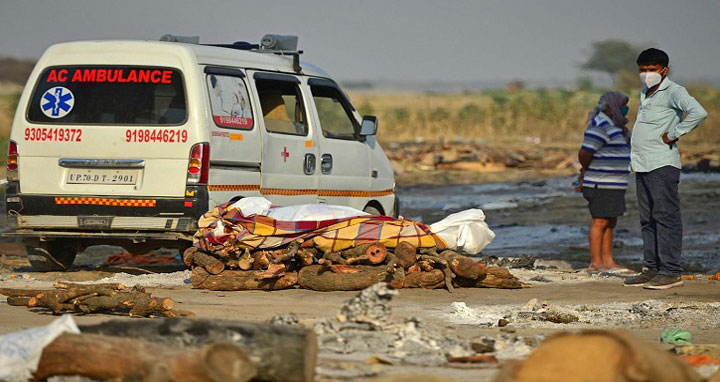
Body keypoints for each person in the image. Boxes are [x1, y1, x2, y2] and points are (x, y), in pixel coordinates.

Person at [623, 48, 708, 289]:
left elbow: (698, 112)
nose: (646, 74)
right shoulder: (645, 93)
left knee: (666, 216)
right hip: (642, 163)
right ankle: (652, 267)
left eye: (651, 70)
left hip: (662, 163)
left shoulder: (674, 91)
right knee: (647, 218)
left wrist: (673, 134)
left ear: (664, 70)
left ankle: (670, 270)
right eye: (643, 70)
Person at [577, 91, 632, 273]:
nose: (625, 109)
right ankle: (596, 262)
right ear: (610, 107)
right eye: (622, 105)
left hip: (614, 184)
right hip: (600, 183)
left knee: (610, 222)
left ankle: (608, 261)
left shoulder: (615, 127)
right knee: (599, 221)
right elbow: (585, 153)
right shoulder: (600, 125)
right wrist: (585, 170)